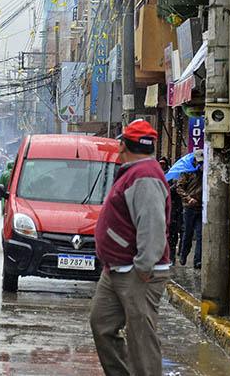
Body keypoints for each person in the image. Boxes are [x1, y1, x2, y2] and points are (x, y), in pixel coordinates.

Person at [90, 119, 171, 376]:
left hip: (137, 272)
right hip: (115, 268)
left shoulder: (145, 176)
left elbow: (152, 225)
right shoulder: (135, 170)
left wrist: (144, 266)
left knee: (141, 339)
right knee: (101, 323)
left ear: (123, 145)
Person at [177, 149, 204, 268]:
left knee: (200, 235)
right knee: (187, 233)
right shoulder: (187, 172)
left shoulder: (205, 172)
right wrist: (188, 199)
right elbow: (179, 188)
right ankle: (183, 254)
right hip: (189, 207)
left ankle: (197, 260)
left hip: (200, 207)